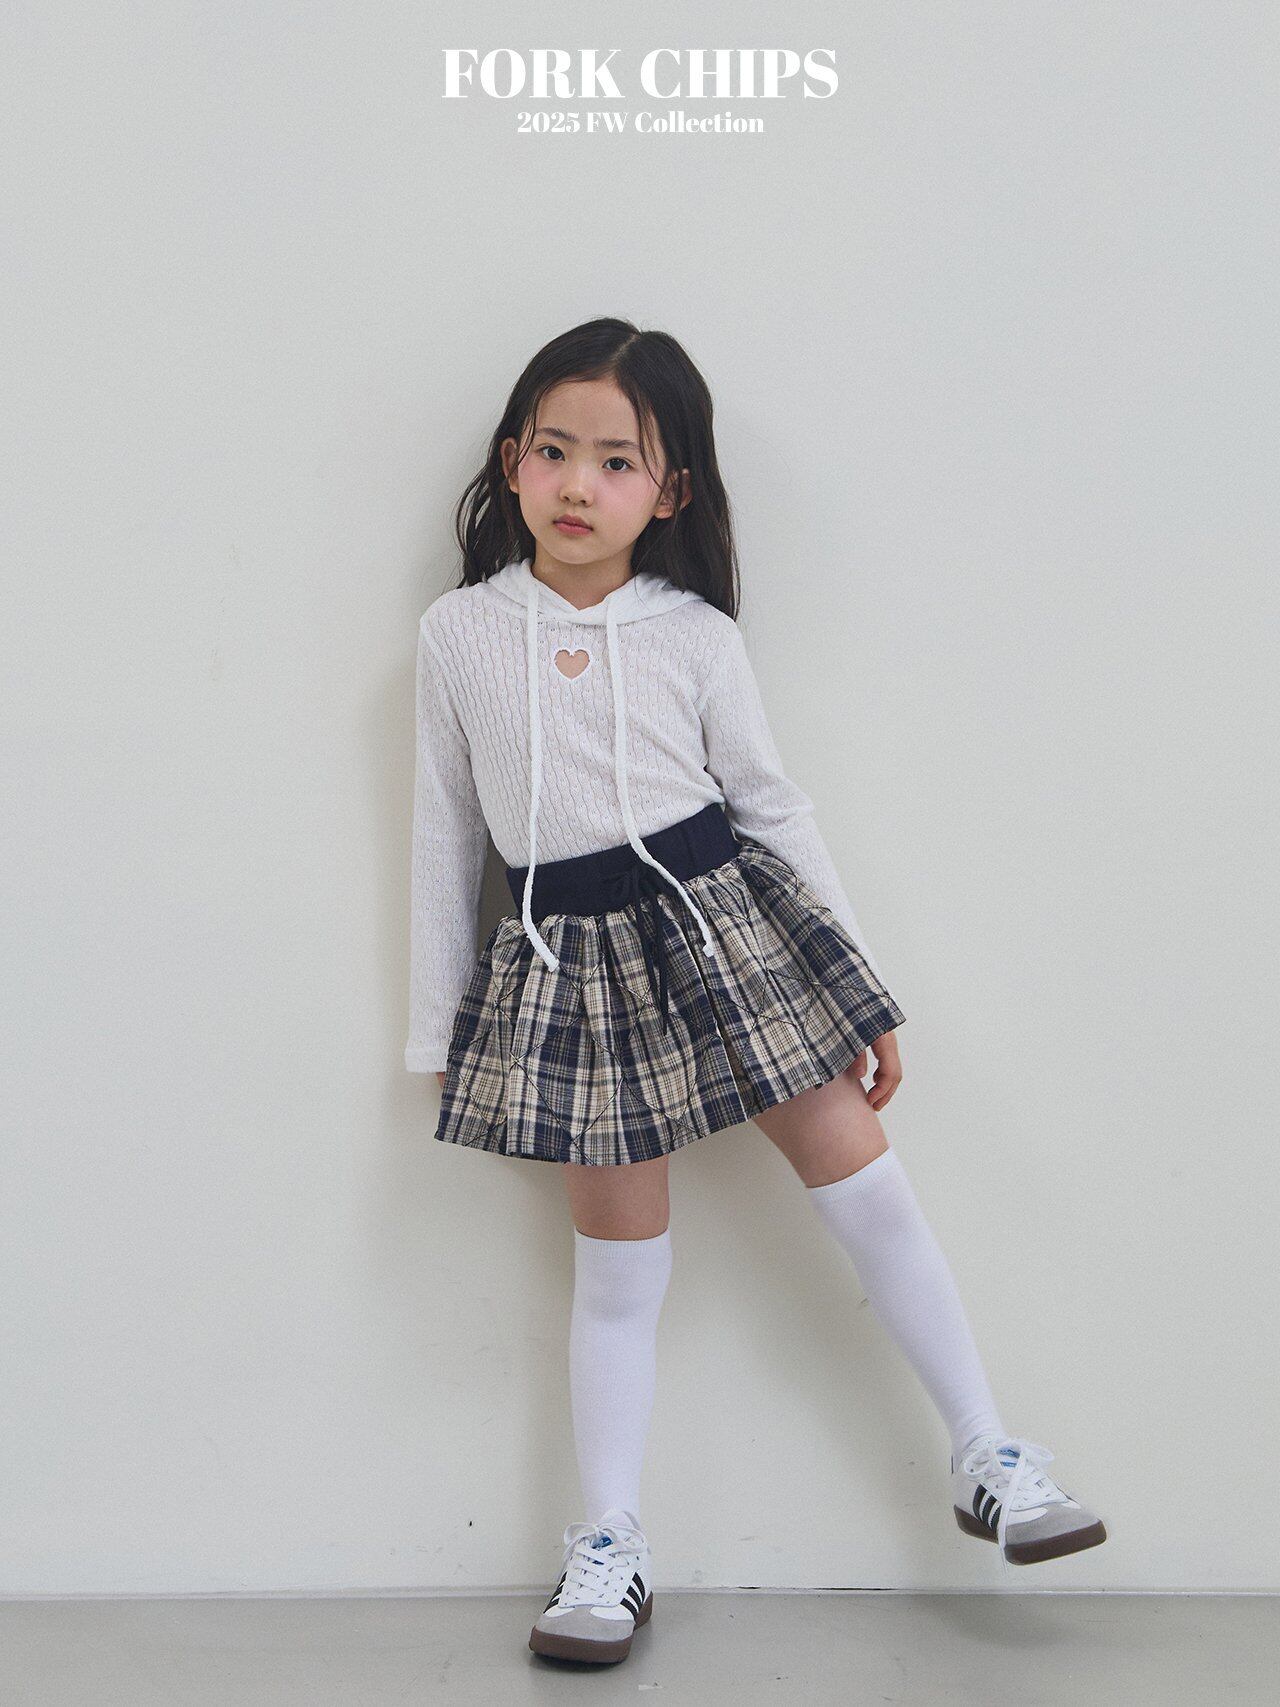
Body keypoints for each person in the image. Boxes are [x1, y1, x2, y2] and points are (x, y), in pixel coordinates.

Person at [405, 317, 1106, 1666]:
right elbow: (445, 834)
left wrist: (863, 993)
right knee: (619, 1265)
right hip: (573, 964)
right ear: (510, 460)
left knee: (869, 1188)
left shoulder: (697, 636)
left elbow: (773, 806)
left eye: (617, 462)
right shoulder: (458, 636)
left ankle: (988, 1453)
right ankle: (609, 1545)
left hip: (726, 927)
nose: (577, 484)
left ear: (668, 491)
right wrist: (441, 1020)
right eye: (553, 450)